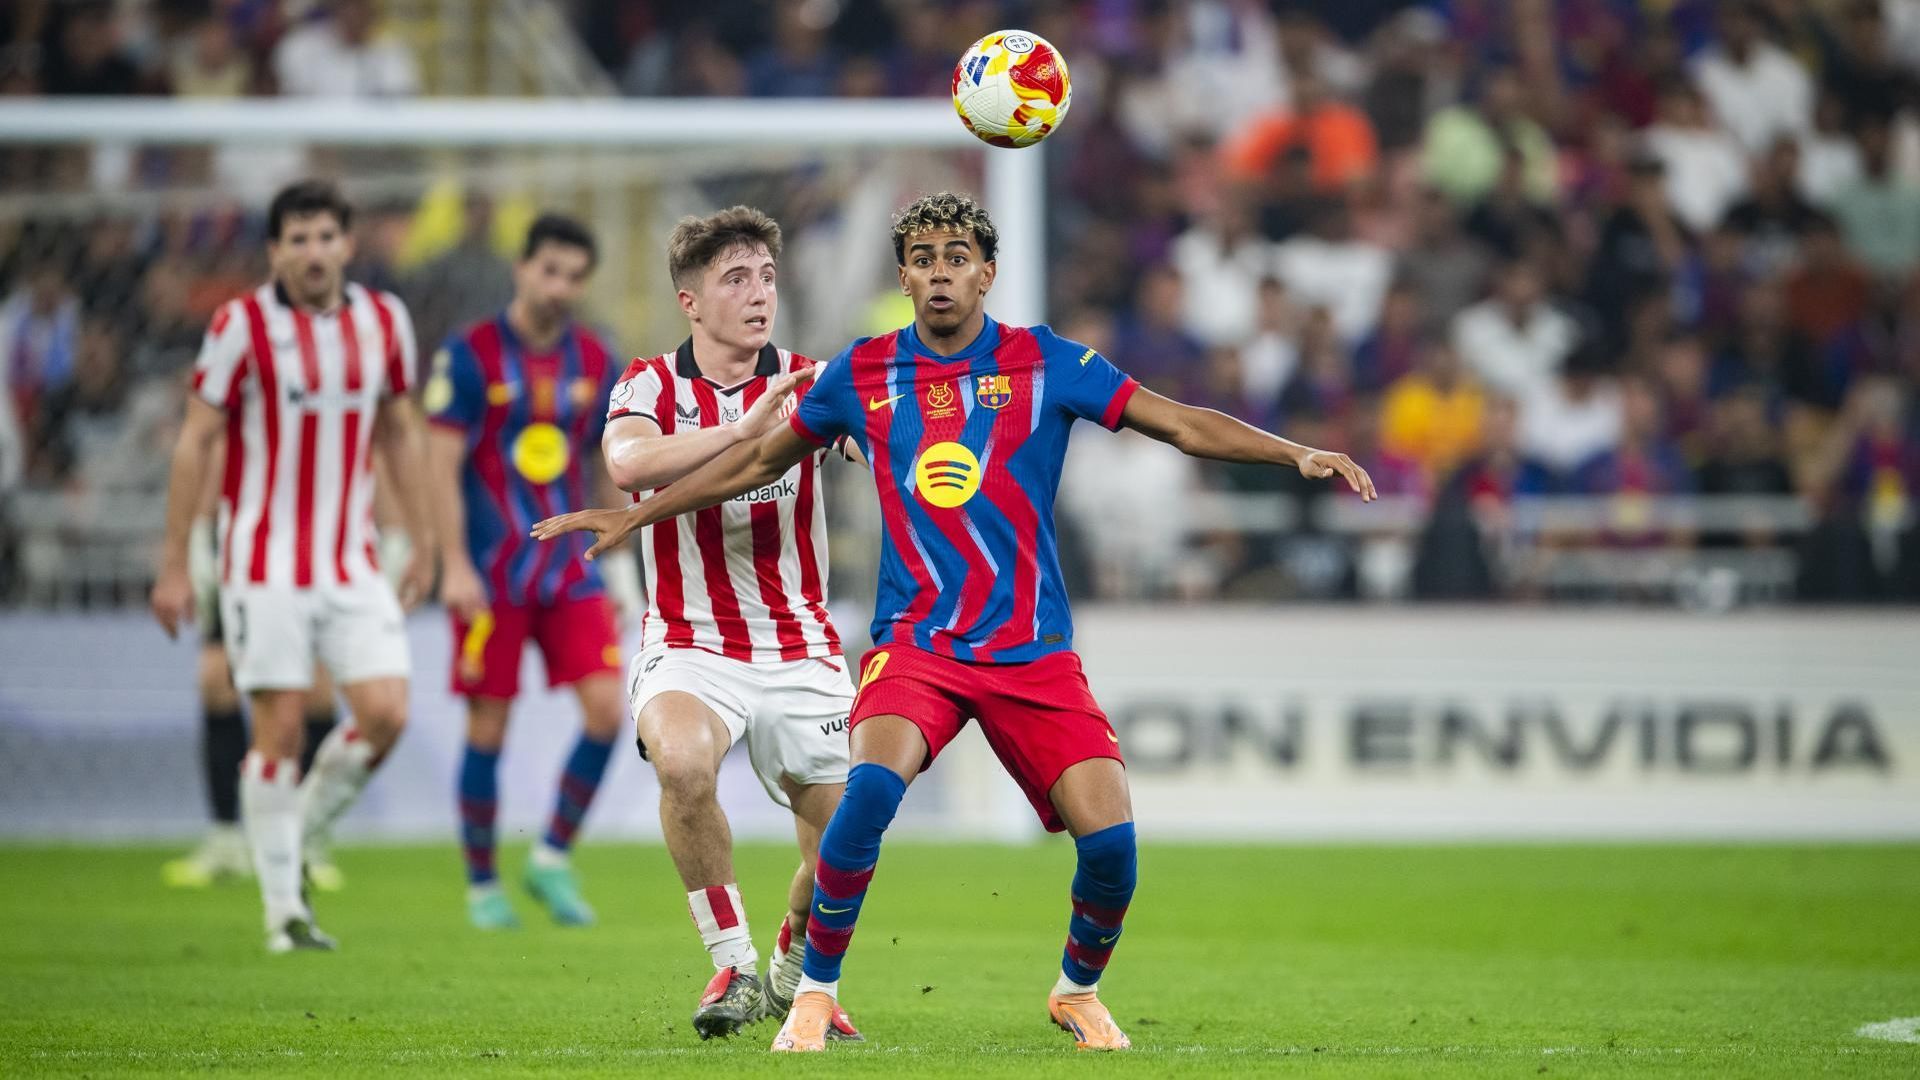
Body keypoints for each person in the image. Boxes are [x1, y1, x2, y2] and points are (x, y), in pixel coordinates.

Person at [530, 191, 1375, 1053]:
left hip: (1029, 649)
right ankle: (812, 996)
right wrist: (634, 516)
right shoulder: (859, 373)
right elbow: (750, 461)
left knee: (1114, 847)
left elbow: (1181, 422)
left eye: (957, 257)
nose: (940, 273)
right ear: (903, 276)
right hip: (917, 644)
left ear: (988, 272)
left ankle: (1076, 990)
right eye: (924, 259)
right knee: (864, 803)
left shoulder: (1047, 363)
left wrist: (1290, 449)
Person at [150, 179, 435, 953]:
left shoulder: (384, 321)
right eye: (296, 239)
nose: (312, 252)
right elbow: (197, 440)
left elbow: (400, 434)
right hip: (263, 558)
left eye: (325, 236)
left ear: (347, 243)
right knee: (276, 724)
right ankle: (285, 915)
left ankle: (292, 831)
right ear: (275, 250)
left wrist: (426, 537)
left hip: (352, 558)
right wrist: (175, 561)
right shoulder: (240, 324)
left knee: (386, 712)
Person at [596, 207, 859, 1039]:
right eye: (735, 279)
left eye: (768, 277)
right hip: (689, 639)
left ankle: (790, 966)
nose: (758, 295)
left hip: (800, 643)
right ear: (691, 301)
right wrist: (740, 431)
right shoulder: (648, 385)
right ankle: (733, 963)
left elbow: (874, 441)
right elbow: (629, 462)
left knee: (843, 847)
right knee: (681, 762)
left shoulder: (813, 380)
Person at [425, 213, 635, 930]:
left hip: (567, 568)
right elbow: (439, 465)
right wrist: (451, 563)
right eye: (550, 271)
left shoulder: (594, 360)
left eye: (575, 276)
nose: (561, 287)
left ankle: (550, 856)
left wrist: (620, 566)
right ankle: (482, 885)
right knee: (490, 725)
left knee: (609, 709)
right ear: (522, 268)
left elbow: (605, 466)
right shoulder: (470, 355)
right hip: (491, 573)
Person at [162, 449, 344, 890]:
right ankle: (226, 837)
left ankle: (307, 838)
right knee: (215, 680)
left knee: (316, 691)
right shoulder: (244, 392)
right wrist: (197, 538)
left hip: (312, 544)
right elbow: (212, 447)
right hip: (247, 549)